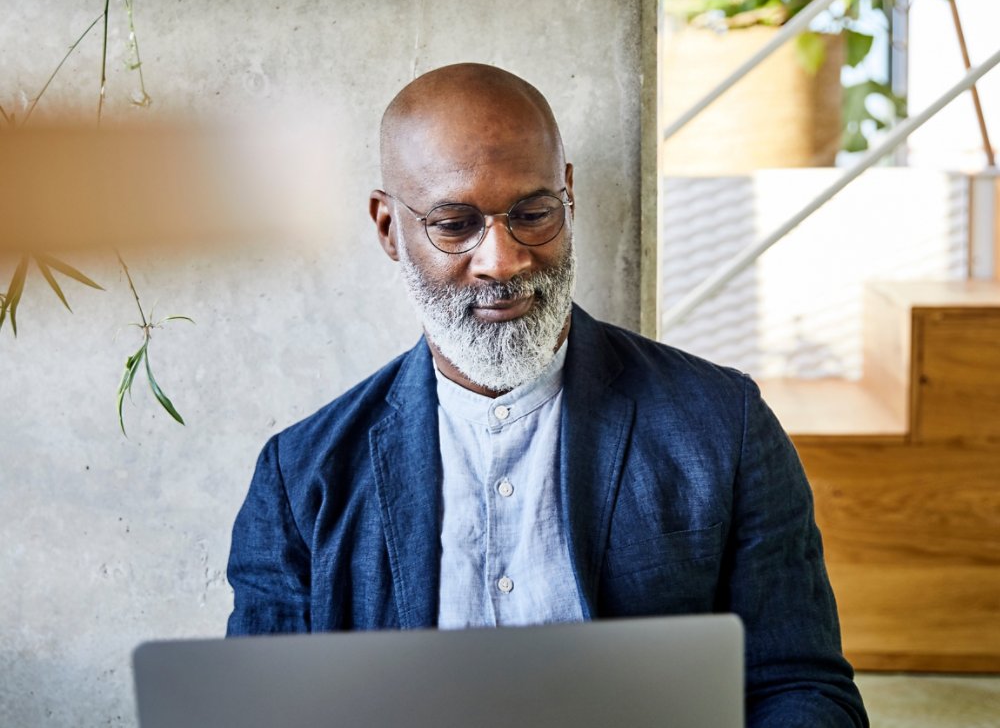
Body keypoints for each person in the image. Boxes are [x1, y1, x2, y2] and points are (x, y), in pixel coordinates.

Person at [227, 62, 868, 726]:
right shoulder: (300, 479)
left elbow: (800, 686)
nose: (502, 261)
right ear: (389, 228)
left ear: (568, 198)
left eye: (532, 213)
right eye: (454, 225)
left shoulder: (723, 427)